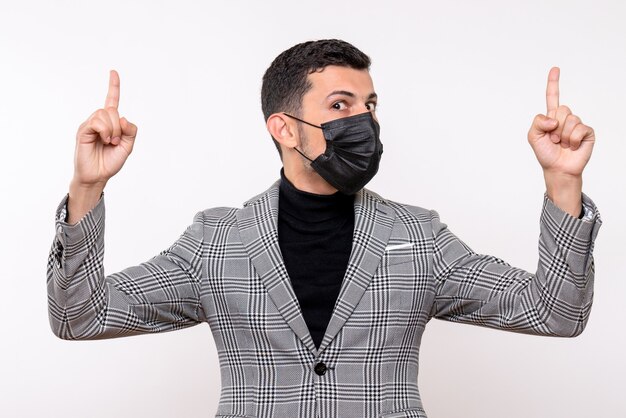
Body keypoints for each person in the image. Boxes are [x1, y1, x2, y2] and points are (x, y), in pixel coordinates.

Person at [47, 39, 601, 418]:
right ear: (284, 128)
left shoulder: (419, 239)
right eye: (340, 104)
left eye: (370, 104)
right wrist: (88, 188)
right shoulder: (215, 243)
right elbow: (80, 317)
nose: (364, 120)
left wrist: (561, 183)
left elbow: (556, 313)